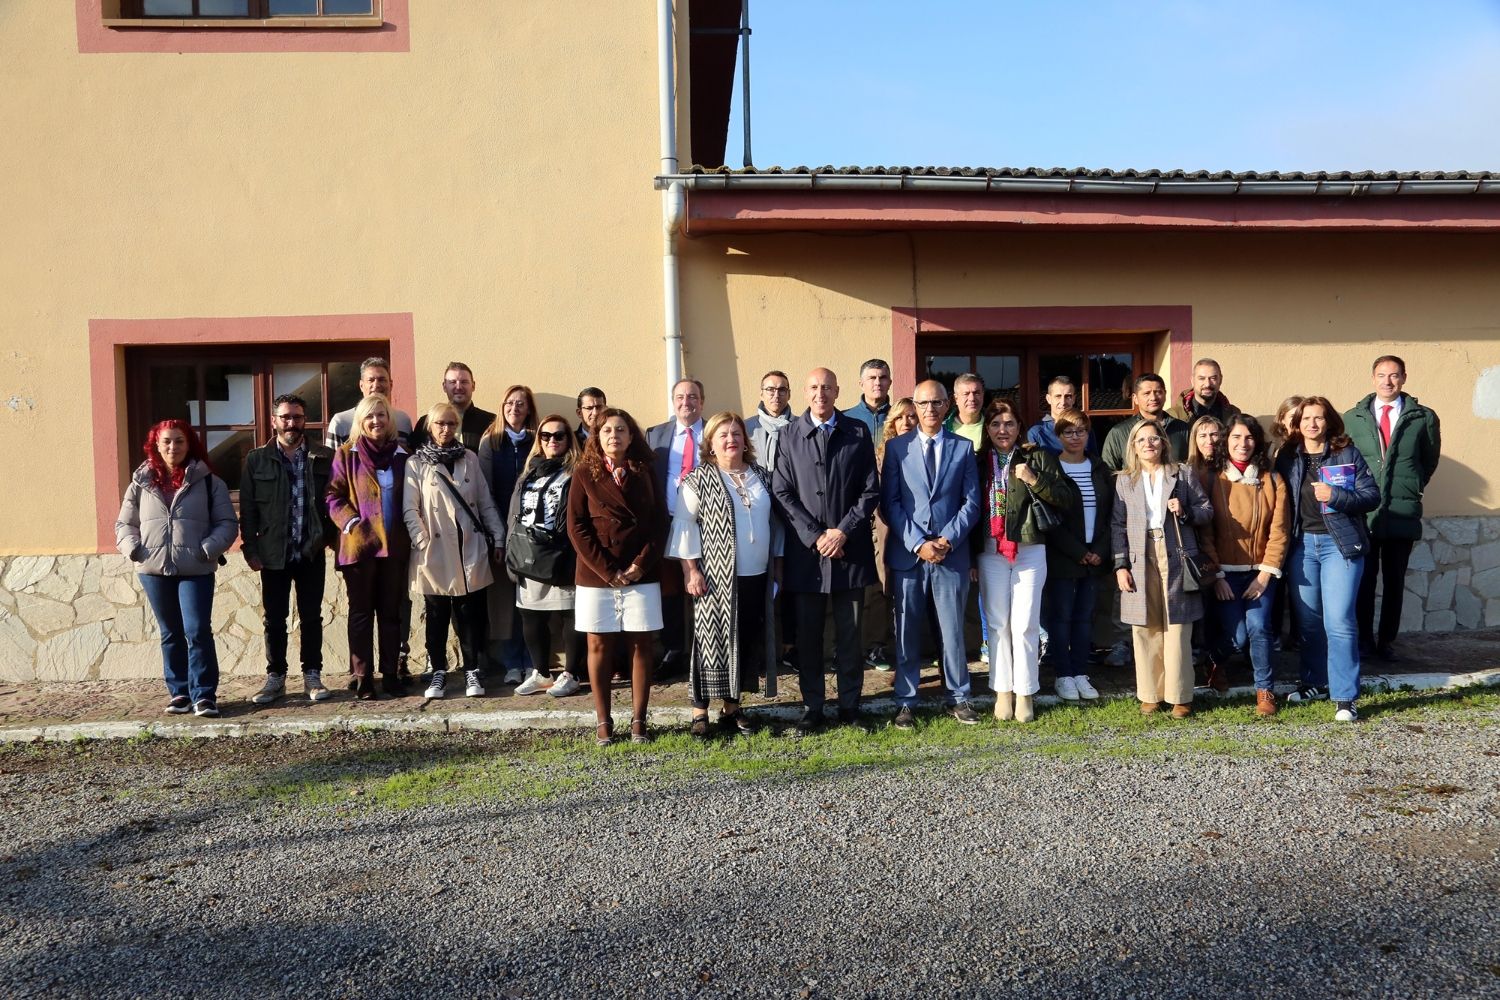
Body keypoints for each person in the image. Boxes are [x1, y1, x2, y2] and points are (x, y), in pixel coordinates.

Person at [772, 367, 881, 733]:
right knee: (809, 637)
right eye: (815, 387)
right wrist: (815, 535)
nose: (821, 394)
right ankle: (812, 706)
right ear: (805, 392)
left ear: (838, 391)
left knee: (851, 636)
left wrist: (842, 531)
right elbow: (782, 492)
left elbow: (870, 490)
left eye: (828, 388)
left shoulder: (857, 431)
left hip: (849, 553)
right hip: (809, 557)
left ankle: (850, 706)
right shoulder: (789, 435)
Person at [669, 412, 781, 737]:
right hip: (715, 577)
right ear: (712, 444)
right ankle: (699, 710)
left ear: (746, 441)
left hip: (756, 575)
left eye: (736, 434)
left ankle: (732, 707)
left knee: (743, 640)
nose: (731, 439)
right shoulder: (699, 479)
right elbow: (683, 527)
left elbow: (775, 524)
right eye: (723, 435)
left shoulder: (762, 476)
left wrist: (778, 569)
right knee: (709, 642)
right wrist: (691, 570)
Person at [116, 420, 238, 717]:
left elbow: (227, 523)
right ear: (156, 445)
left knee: (197, 631)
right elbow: (125, 524)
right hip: (154, 569)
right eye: (167, 441)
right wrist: (134, 548)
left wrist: (207, 549)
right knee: (170, 633)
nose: (173, 447)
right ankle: (180, 692)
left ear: (190, 444)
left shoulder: (210, 481)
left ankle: (204, 695)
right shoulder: (141, 483)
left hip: (195, 569)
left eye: (179, 441)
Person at [881, 382, 983, 729]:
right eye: (923, 403)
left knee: (952, 630)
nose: (929, 409)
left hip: (950, 554)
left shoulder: (963, 447)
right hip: (909, 555)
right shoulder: (897, 448)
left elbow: (972, 503)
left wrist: (947, 540)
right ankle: (906, 700)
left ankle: (959, 697)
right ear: (915, 404)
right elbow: (890, 503)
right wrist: (918, 543)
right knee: (907, 629)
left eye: (936, 402)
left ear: (946, 406)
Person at [1275, 397, 1380, 721]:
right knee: (1307, 622)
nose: (1312, 424)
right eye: (1307, 418)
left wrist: (1335, 496)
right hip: (1302, 547)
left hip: (1340, 546)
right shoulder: (1288, 456)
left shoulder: (1345, 453)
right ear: (1298, 423)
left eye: (1319, 418)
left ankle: (1345, 696)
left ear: (1329, 421)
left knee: (1339, 621)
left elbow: (1371, 495)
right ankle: (1314, 682)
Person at [567, 408, 668, 745]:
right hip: (598, 572)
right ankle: (603, 720)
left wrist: (640, 565)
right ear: (597, 436)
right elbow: (577, 527)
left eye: (621, 429)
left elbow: (658, 523)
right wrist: (609, 572)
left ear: (631, 435)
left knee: (642, 643)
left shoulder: (645, 469)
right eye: (607, 430)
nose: (614, 435)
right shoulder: (583, 472)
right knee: (598, 644)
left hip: (641, 570)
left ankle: (639, 719)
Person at [970, 398, 1068, 722]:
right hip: (990, 550)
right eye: (996, 424)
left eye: (1009, 423)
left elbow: (1065, 497)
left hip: (1029, 548)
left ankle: (1025, 693)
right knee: (997, 625)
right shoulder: (977, 461)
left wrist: (1033, 479)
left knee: (1025, 623)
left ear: (1019, 427)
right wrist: (971, 556)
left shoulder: (1037, 456)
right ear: (988, 428)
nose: (1003, 430)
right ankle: (1002, 692)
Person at [1111, 419, 1213, 718]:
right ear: (1133, 446)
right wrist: (1120, 565)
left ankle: (1179, 695)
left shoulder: (1182, 474)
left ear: (1164, 443)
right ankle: (1151, 694)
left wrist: (1185, 511)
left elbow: (1207, 511)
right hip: (1139, 556)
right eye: (1141, 440)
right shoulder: (1124, 480)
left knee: (1178, 625)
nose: (1148, 444)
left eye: (1154, 438)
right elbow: (1117, 525)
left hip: (1176, 554)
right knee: (1145, 626)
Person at [404, 402, 506, 700]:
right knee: (436, 613)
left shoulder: (469, 459)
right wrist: (422, 541)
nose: (446, 429)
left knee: (470, 613)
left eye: (451, 424)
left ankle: (472, 669)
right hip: (435, 550)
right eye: (440, 424)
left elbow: (485, 502)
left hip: (469, 547)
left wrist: (497, 537)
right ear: (430, 427)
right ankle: (438, 672)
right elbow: (410, 508)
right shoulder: (416, 463)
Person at [1344, 355, 1442, 662]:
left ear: (1404, 378)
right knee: (1364, 580)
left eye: (1394, 375)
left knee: (1395, 581)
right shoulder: (1353, 417)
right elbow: (1347, 460)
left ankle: (1386, 641)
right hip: (1366, 513)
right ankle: (1363, 641)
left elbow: (1429, 461)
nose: (1388, 381)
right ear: (1372, 378)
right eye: (1382, 375)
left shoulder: (1423, 417)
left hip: (1402, 512)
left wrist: (1411, 486)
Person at [241, 394, 336, 705]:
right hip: (273, 552)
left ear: (304, 419)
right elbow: (249, 509)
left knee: (312, 616)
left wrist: (330, 538)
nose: (291, 423)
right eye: (285, 417)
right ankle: (276, 677)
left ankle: (312, 674)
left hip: (310, 550)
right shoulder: (256, 459)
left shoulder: (324, 456)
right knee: (275, 618)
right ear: (274, 421)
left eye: (296, 417)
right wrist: (250, 548)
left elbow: (334, 500)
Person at [1201, 415, 1291, 716]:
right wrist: (1217, 575)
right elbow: (1205, 534)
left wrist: (1265, 575)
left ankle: (1265, 691)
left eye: (1249, 437)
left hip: (1261, 573)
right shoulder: (1214, 479)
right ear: (1227, 441)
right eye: (1236, 437)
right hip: (1225, 574)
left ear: (1257, 442)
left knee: (1260, 628)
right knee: (1238, 636)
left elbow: (1279, 532)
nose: (1243, 444)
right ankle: (1214, 659)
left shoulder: (1273, 481)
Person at [328, 394, 411, 700]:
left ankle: (390, 675)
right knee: (361, 614)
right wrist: (351, 524)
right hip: (359, 549)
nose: (376, 422)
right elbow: (333, 496)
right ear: (360, 422)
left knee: (391, 614)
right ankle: (362, 677)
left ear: (390, 420)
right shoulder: (346, 454)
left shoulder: (404, 455)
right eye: (370, 417)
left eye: (382, 416)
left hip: (394, 548)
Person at [508, 415, 587, 698]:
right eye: (546, 436)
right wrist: (510, 551)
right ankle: (541, 672)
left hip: (562, 554)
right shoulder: (529, 472)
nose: (552, 441)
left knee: (570, 613)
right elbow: (513, 514)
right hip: (528, 553)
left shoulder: (577, 471)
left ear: (569, 440)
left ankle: (571, 673)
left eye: (559, 436)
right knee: (530, 614)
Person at [1043, 409, 1113, 702]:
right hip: (1064, 555)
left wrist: (1098, 550)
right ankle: (1063, 674)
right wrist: (1078, 551)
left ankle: (1081, 672)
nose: (1075, 436)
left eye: (1081, 431)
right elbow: (1049, 518)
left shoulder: (1099, 467)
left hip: (1094, 555)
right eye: (1069, 431)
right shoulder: (1051, 469)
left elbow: (1112, 514)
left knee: (1085, 617)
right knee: (1061, 617)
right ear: (1058, 436)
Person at [478, 384, 539, 684]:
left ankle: (534, 661)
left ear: (529, 409)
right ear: (502, 408)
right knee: (507, 603)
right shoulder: (491, 443)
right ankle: (512, 661)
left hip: (533, 534)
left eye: (521, 403)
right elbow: (485, 492)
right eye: (509, 403)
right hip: (502, 533)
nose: (515, 408)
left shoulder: (538, 441)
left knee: (531, 600)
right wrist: (497, 535)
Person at [647, 377, 707, 678]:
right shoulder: (656, 435)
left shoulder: (714, 433)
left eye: (693, 397)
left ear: (702, 401)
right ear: (673, 401)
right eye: (681, 397)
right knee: (670, 590)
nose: (687, 402)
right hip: (668, 521)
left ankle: (706, 651)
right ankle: (673, 651)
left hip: (706, 523)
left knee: (704, 588)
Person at [867, 398, 919, 673]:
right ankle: (877, 646)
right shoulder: (881, 454)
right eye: (901, 417)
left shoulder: (926, 450)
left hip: (920, 533)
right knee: (882, 590)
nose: (907, 422)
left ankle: (910, 647)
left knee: (912, 594)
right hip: (887, 530)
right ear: (892, 423)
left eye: (912, 416)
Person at [1101, 374, 1190, 473]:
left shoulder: (1183, 429)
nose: (1153, 397)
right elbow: (1107, 472)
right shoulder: (1119, 433)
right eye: (1147, 393)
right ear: (1135, 398)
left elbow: (1193, 466)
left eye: (1158, 392)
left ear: (1165, 394)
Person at [325, 356, 413, 448]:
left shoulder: (403, 421)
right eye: (371, 380)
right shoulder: (340, 422)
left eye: (381, 380)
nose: (376, 385)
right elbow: (332, 460)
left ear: (390, 385)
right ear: (361, 385)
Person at [408, 362, 496, 452]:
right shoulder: (426, 422)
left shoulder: (491, 422)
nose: (458, 387)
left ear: (473, 386)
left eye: (464, 382)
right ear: (444, 387)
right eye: (453, 382)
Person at [1027, 377, 1097, 456]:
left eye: (1068, 396)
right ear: (1048, 399)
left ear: (1074, 399)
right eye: (1058, 396)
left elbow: (1094, 463)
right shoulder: (1037, 432)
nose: (1063, 402)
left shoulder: (1085, 430)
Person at [745, 369, 794, 475]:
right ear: (761, 394)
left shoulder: (800, 427)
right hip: (757, 488)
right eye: (770, 389)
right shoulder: (746, 428)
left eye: (782, 390)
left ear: (788, 394)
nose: (776, 395)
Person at [1166, 358, 1241, 424]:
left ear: (1220, 380)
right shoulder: (1173, 416)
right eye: (1201, 378)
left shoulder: (1234, 414)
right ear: (1192, 380)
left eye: (1213, 378)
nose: (1207, 384)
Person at [844, 358, 893, 439]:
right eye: (872, 378)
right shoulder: (844, 418)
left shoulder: (900, 417)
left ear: (890, 383)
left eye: (883, 377)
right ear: (861, 384)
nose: (878, 383)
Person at [944, 372, 986, 450]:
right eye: (966, 394)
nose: (972, 398)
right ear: (956, 399)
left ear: (983, 395)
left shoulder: (993, 426)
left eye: (976, 393)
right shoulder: (943, 429)